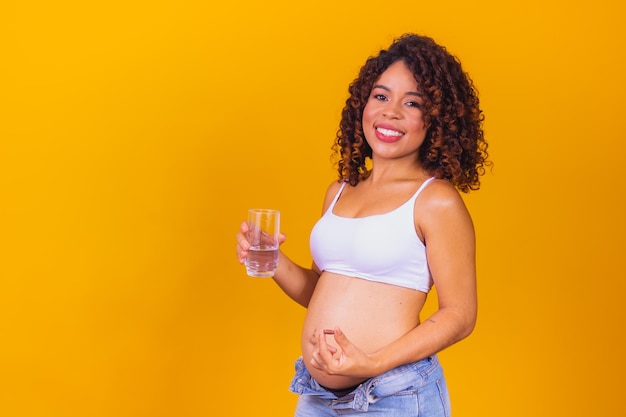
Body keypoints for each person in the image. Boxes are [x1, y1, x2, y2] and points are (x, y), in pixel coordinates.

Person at [236, 33, 490, 416]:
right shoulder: (340, 192)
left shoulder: (435, 200)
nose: (391, 112)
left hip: (393, 394)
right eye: (382, 96)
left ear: (435, 120)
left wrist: (372, 363)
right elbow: (320, 290)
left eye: (413, 103)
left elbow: (460, 315)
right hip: (318, 394)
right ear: (363, 105)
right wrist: (272, 260)